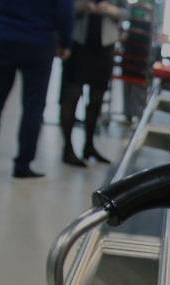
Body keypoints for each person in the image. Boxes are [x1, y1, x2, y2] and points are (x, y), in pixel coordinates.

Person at [0, 0, 74, 179]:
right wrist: (65, 42)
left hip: (3, 36)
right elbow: (65, 10)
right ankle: (23, 164)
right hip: (39, 41)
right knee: (33, 106)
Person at [59, 0, 124, 167]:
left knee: (97, 98)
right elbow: (63, 7)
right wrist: (82, 7)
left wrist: (110, 10)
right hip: (78, 43)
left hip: (104, 45)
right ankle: (67, 148)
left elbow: (126, 11)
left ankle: (89, 145)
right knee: (72, 95)